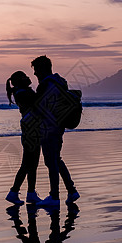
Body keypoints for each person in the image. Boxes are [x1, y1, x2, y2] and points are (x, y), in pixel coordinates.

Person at [31, 55, 80, 207]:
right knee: (56, 159)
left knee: (51, 161)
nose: (35, 74)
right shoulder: (60, 82)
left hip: (49, 129)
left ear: (44, 68)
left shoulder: (46, 85)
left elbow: (37, 108)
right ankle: (71, 191)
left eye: (37, 70)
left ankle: (54, 196)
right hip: (58, 127)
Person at [5, 71, 42, 205]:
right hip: (31, 129)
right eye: (25, 76)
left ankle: (30, 193)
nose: (28, 78)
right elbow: (39, 101)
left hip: (31, 128)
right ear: (20, 80)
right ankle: (14, 192)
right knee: (28, 163)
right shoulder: (23, 93)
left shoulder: (21, 92)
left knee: (31, 164)